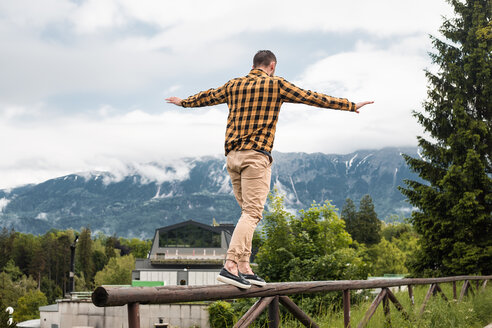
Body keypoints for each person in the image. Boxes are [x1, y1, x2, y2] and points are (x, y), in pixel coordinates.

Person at [166, 50, 374, 289]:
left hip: (232, 158)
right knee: (253, 213)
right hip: (256, 157)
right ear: (272, 66)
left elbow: (208, 96)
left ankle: (245, 266)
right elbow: (311, 97)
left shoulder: (234, 84)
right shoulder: (276, 84)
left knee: (247, 212)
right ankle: (231, 265)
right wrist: (349, 105)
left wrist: (183, 102)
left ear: (253, 65)